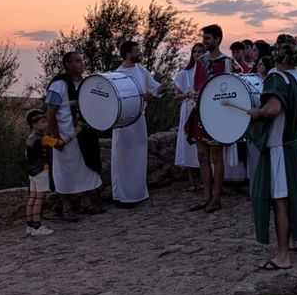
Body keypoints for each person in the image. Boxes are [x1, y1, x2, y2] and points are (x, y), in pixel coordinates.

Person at [248, 44, 297, 270]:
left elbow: (273, 109)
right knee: (292, 194)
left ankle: (283, 256)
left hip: (281, 147)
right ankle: (292, 241)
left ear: (278, 58)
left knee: (280, 200)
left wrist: (258, 112)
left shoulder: (279, 78)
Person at [45, 51, 104, 220]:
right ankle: (67, 208)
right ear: (68, 65)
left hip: (85, 135)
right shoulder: (58, 85)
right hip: (65, 136)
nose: (82, 64)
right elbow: (51, 113)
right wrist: (56, 136)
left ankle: (86, 202)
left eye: (82, 60)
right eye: (77, 61)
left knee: (87, 167)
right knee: (65, 171)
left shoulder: (86, 84)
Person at [185, 24, 232, 214]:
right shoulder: (201, 61)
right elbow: (195, 84)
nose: (204, 41)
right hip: (200, 111)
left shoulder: (226, 62)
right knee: (202, 156)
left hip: (217, 114)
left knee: (216, 157)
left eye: (208, 38)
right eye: (203, 38)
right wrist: (193, 93)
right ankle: (206, 197)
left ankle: (217, 198)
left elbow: (229, 88)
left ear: (217, 39)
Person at [111, 40, 162, 206]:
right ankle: (123, 196)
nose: (139, 53)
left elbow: (154, 87)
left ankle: (138, 194)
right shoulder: (117, 74)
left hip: (139, 120)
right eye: (136, 50)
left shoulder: (141, 70)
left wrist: (161, 89)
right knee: (122, 159)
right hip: (123, 123)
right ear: (128, 53)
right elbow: (117, 98)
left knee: (138, 157)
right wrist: (141, 97)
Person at [24, 108, 60, 236]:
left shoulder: (30, 138)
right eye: (43, 122)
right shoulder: (43, 138)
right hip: (42, 170)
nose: (46, 124)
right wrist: (73, 134)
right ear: (34, 124)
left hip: (32, 172)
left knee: (32, 199)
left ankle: (30, 225)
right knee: (39, 199)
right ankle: (37, 226)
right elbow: (59, 143)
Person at [173, 43, 203, 189]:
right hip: (188, 109)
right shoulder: (184, 73)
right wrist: (188, 94)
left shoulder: (207, 72)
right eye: (195, 51)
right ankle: (191, 181)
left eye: (200, 51)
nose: (197, 54)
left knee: (203, 142)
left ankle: (204, 180)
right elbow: (176, 96)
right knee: (187, 143)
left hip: (203, 109)